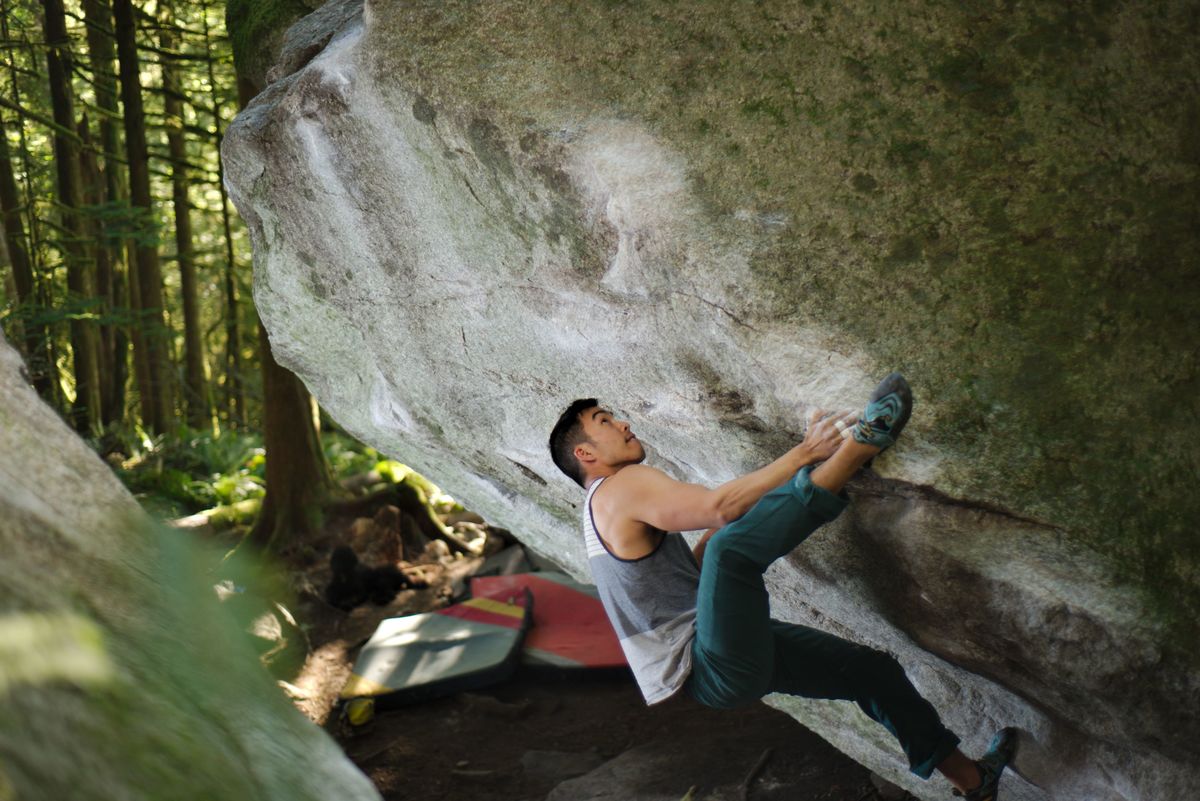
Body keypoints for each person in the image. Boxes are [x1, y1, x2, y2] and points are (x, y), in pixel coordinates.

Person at [547, 374, 1017, 801]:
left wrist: (780, 486)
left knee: (869, 671)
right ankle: (862, 445)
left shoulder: (597, 512)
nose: (624, 423)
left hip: (713, 670)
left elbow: (696, 562)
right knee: (730, 547)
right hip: (708, 660)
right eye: (605, 421)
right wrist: (805, 451)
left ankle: (974, 783)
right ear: (586, 454)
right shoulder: (620, 485)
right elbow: (720, 508)